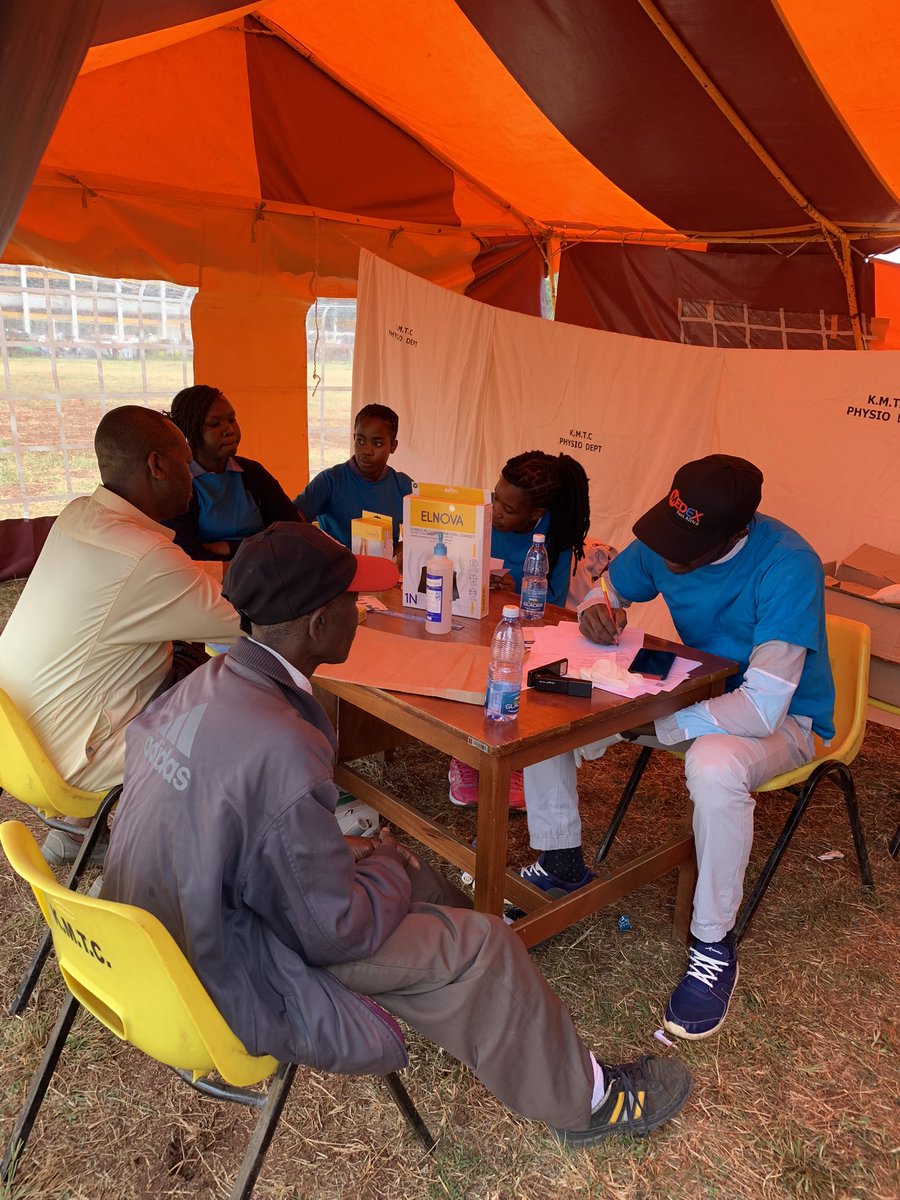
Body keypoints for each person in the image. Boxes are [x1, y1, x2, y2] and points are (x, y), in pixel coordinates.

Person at [101, 521, 692, 1147]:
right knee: (478, 939)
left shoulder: (206, 686)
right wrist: (382, 861)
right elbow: (336, 930)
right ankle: (587, 1103)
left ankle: (495, 997)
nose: (363, 613)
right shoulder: (281, 742)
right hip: (225, 961)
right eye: (352, 603)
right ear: (317, 626)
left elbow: (245, 830)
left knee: (415, 883)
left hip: (165, 927)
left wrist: (356, 857)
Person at [519, 455, 835, 1041]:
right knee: (551, 700)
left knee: (713, 764)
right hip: (692, 688)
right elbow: (607, 591)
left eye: (683, 547)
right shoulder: (673, 535)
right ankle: (560, 860)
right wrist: (598, 612)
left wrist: (659, 726)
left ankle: (713, 944)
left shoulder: (789, 565)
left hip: (787, 718)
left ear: (734, 534)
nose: (666, 555)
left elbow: (762, 708)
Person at [0, 405, 240, 863]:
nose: (193, 475)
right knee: (239, 683)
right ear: (156, 465)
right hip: (69, 762)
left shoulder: (78, 515)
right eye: (185, 462)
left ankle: (74, 832)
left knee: (160, 666)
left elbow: (175, 580)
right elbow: (249, 624)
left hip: (15, 741)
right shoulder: (145, 557)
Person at [448, 450, 591, 810]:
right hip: (473, 619)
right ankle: (465, 758)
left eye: (508, 510)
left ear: (536, 514)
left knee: (513, 673)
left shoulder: (554, 534)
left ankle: (515, 762)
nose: (496, 511)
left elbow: (554, 602)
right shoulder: (481, 517)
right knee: (468, 662)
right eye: (496, 498)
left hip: (520, 628)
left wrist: (513, 588)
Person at [165, 384, 301, 561]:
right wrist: (263, 545)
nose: (229, 430)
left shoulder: (252, 473)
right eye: (215, 424)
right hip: (212, 582)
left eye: (232, 419)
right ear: (189, 431)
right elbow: (189, 556)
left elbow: (295, 532)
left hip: (266, 574)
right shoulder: (179, 484)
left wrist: (230, 547)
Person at [295, 404, 413, 549]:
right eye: (361, 441)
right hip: (335, 569)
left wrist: (403, 549)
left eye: (377, 443)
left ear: (393, 446)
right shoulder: (330, 480)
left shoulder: (403, 486)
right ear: (354, 437)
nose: (367, 450)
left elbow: (427, 536)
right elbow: (291, 524)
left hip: (384, 569)